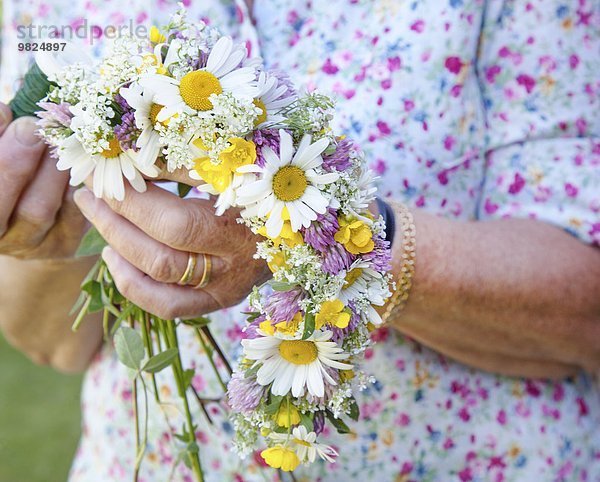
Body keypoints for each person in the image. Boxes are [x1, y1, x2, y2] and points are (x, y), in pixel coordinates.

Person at [1, 0, 599, 480]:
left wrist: (321, 235)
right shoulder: (50, 16)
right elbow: (54, 344)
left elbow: (585, 312)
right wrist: (44, 239)